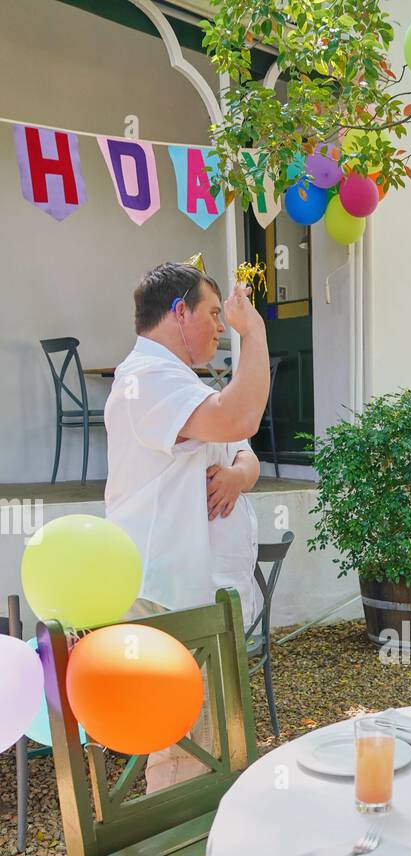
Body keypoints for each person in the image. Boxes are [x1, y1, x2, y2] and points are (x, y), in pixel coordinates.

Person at [105, 261, 270, 789]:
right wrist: (257, 334)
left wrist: (238, 476)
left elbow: (242, 447)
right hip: (170, 599)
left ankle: (205, 854)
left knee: (212, 747)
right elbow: (239, 418)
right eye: (214, 314)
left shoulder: (177, 381)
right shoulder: (147, 379)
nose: (222, 327)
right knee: (185, 756)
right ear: (180, 311)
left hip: (198, 600)